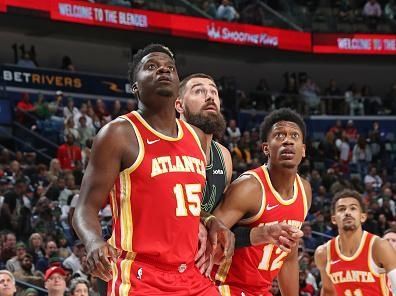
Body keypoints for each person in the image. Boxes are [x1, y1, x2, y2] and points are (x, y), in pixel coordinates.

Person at [72, 44, 233, 295]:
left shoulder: (195, 138)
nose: (163, 71)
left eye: (170, 68)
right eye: (152, 67)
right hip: (140, 275)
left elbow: (176, 199)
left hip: (190, 274)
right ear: (135, 86)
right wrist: (93, 241)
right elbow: (84, 207)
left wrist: (211, 220)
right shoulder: (118, 134)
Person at [212, 108, 311, 295]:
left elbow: (288, 257)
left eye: (294, 136)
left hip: (261, 290)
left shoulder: (305, 191)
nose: (288, 140)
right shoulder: (249, 188)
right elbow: (210, 236)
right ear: (266, 148)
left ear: (303, 149)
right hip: (223, 286)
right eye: (280, 135)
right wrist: (260, 234)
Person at [314, 189, 396, 295]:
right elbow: (328, 292)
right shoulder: (323, 253)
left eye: (353, 208)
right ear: (334, 219)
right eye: (342, 209)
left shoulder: (378, 246)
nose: (347, 212)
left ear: (362, 217)